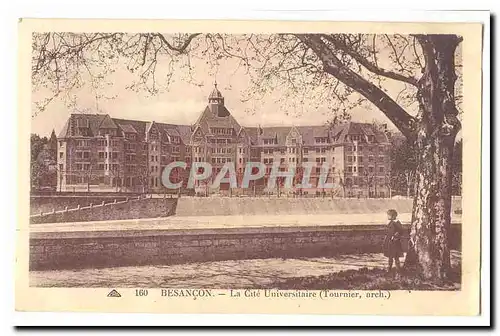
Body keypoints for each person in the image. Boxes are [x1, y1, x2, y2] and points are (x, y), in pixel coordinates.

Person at [383, 209, 404, 275]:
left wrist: (395, 237)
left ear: (393, 216)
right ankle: (389, 268)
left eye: (388, 215)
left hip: (395, 242)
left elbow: (400, 231)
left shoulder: (397, 223)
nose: (387, 216)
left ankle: (398, 269)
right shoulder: (390, 222)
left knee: (396, 256)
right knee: (390, 256)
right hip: (390, 242)